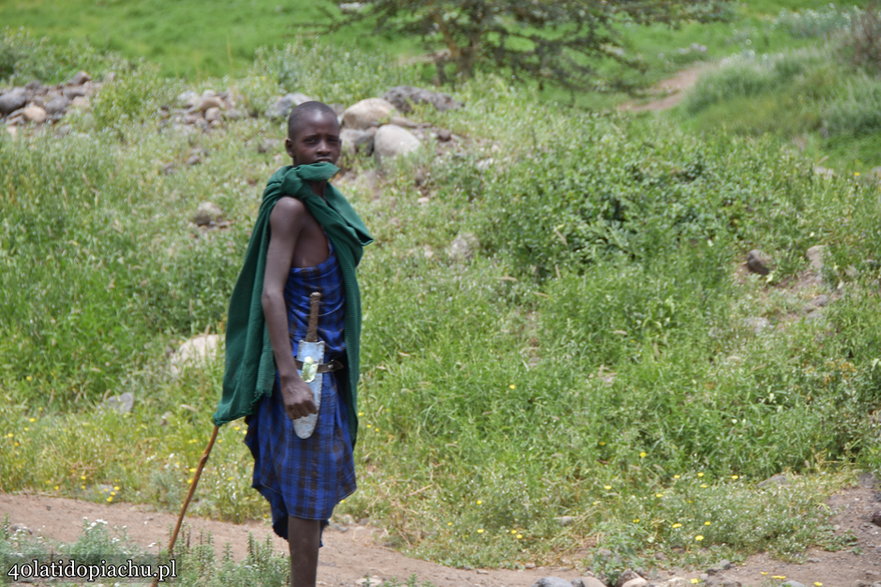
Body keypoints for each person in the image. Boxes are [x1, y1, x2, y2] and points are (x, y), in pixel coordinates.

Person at [214, 101, 373, 587]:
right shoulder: (292, 207)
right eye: (311, 141)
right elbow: (270, 292)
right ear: (291, 148)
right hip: (304, 370)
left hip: (330, 368)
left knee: (316, 485)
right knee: (306, 493)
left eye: (331, 139)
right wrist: (287, 377)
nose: (323, 148)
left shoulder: (329, 204)